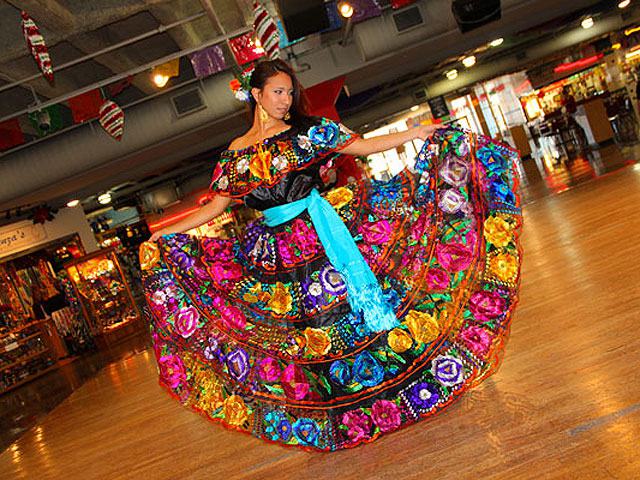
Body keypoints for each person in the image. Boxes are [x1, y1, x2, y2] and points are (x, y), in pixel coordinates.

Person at [140, 59, 522, 451]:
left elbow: (362, 144)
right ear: (255, 94)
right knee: (307, 333)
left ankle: (395, 391)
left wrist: (419, 131)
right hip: (276, 254)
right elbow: (213, 208)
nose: (286, 100)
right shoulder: (233, 157)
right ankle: (344, 415)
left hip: (321, 236)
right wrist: (161, 234)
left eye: (289, 92)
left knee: (346, 314)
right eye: (277, 92)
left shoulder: (308, 132)